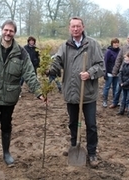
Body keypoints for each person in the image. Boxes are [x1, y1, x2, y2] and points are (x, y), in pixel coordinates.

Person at [0, 20, 46, 170]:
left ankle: (6, 153)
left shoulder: (21, 53)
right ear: (1, 30)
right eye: (6, 30)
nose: (8, 33)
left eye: (11, 31)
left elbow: (29, 74)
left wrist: (39, 92)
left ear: (14, 33)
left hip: (9, 98)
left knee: (6, 125)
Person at [46, 17, 104, 168]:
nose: (76, 29)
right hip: (71, 93)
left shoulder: (92, 45)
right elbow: (57, 61)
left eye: (78, 26)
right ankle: (74, 146)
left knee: (91, 125)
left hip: (88, 94)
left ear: (83, 27)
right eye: (73, 26)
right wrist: (51, 68)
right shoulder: (65, 46)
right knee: (72, 123)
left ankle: (91, 153)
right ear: (69, 28)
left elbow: (101, 66)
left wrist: (90, 73)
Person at [110, 35, 129, 108]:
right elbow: (118, 60)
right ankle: (115, 102)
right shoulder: (123, 48)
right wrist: (114, 71)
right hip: (122, 72)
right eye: (128, 38)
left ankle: (127, 107)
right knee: (118, 89)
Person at [102, 38, 120, 107]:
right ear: (112, 44)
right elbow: (105, 62)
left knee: (115, 87)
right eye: (115, 43)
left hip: (117, 72)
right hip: (109, 72)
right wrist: (105, 72)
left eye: (117, 43)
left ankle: (115, 101)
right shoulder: (108, 51)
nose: (116, 44)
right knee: (107, 87)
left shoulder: (119, 51)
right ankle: (105, 101)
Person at [116, 51, 129, 117]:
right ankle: (121, 111)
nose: (125, 59)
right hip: (123, 84)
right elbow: (120, 73)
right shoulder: (124, 64)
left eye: (126, 58)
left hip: (127, 85)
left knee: (128, 99)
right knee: (123, 98)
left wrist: (124, 83)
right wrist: (121, 82)